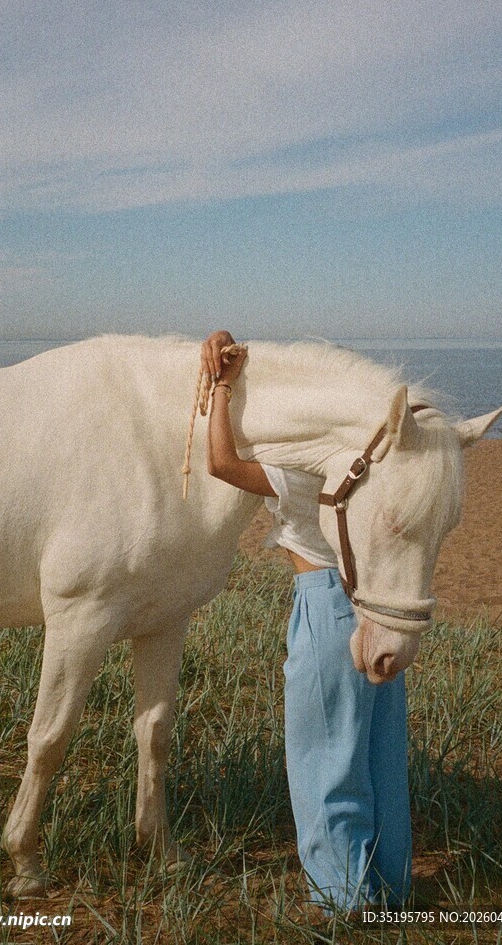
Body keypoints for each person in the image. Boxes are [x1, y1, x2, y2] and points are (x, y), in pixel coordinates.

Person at [201, 331, 412, 913]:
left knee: (325, 758)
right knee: (379, 756)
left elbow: (221, 461)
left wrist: (222, 388)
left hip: (326, 600)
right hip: (375, 600)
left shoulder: (302, 468)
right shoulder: (361, 463)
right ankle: (390, 889)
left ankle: (344, 900)